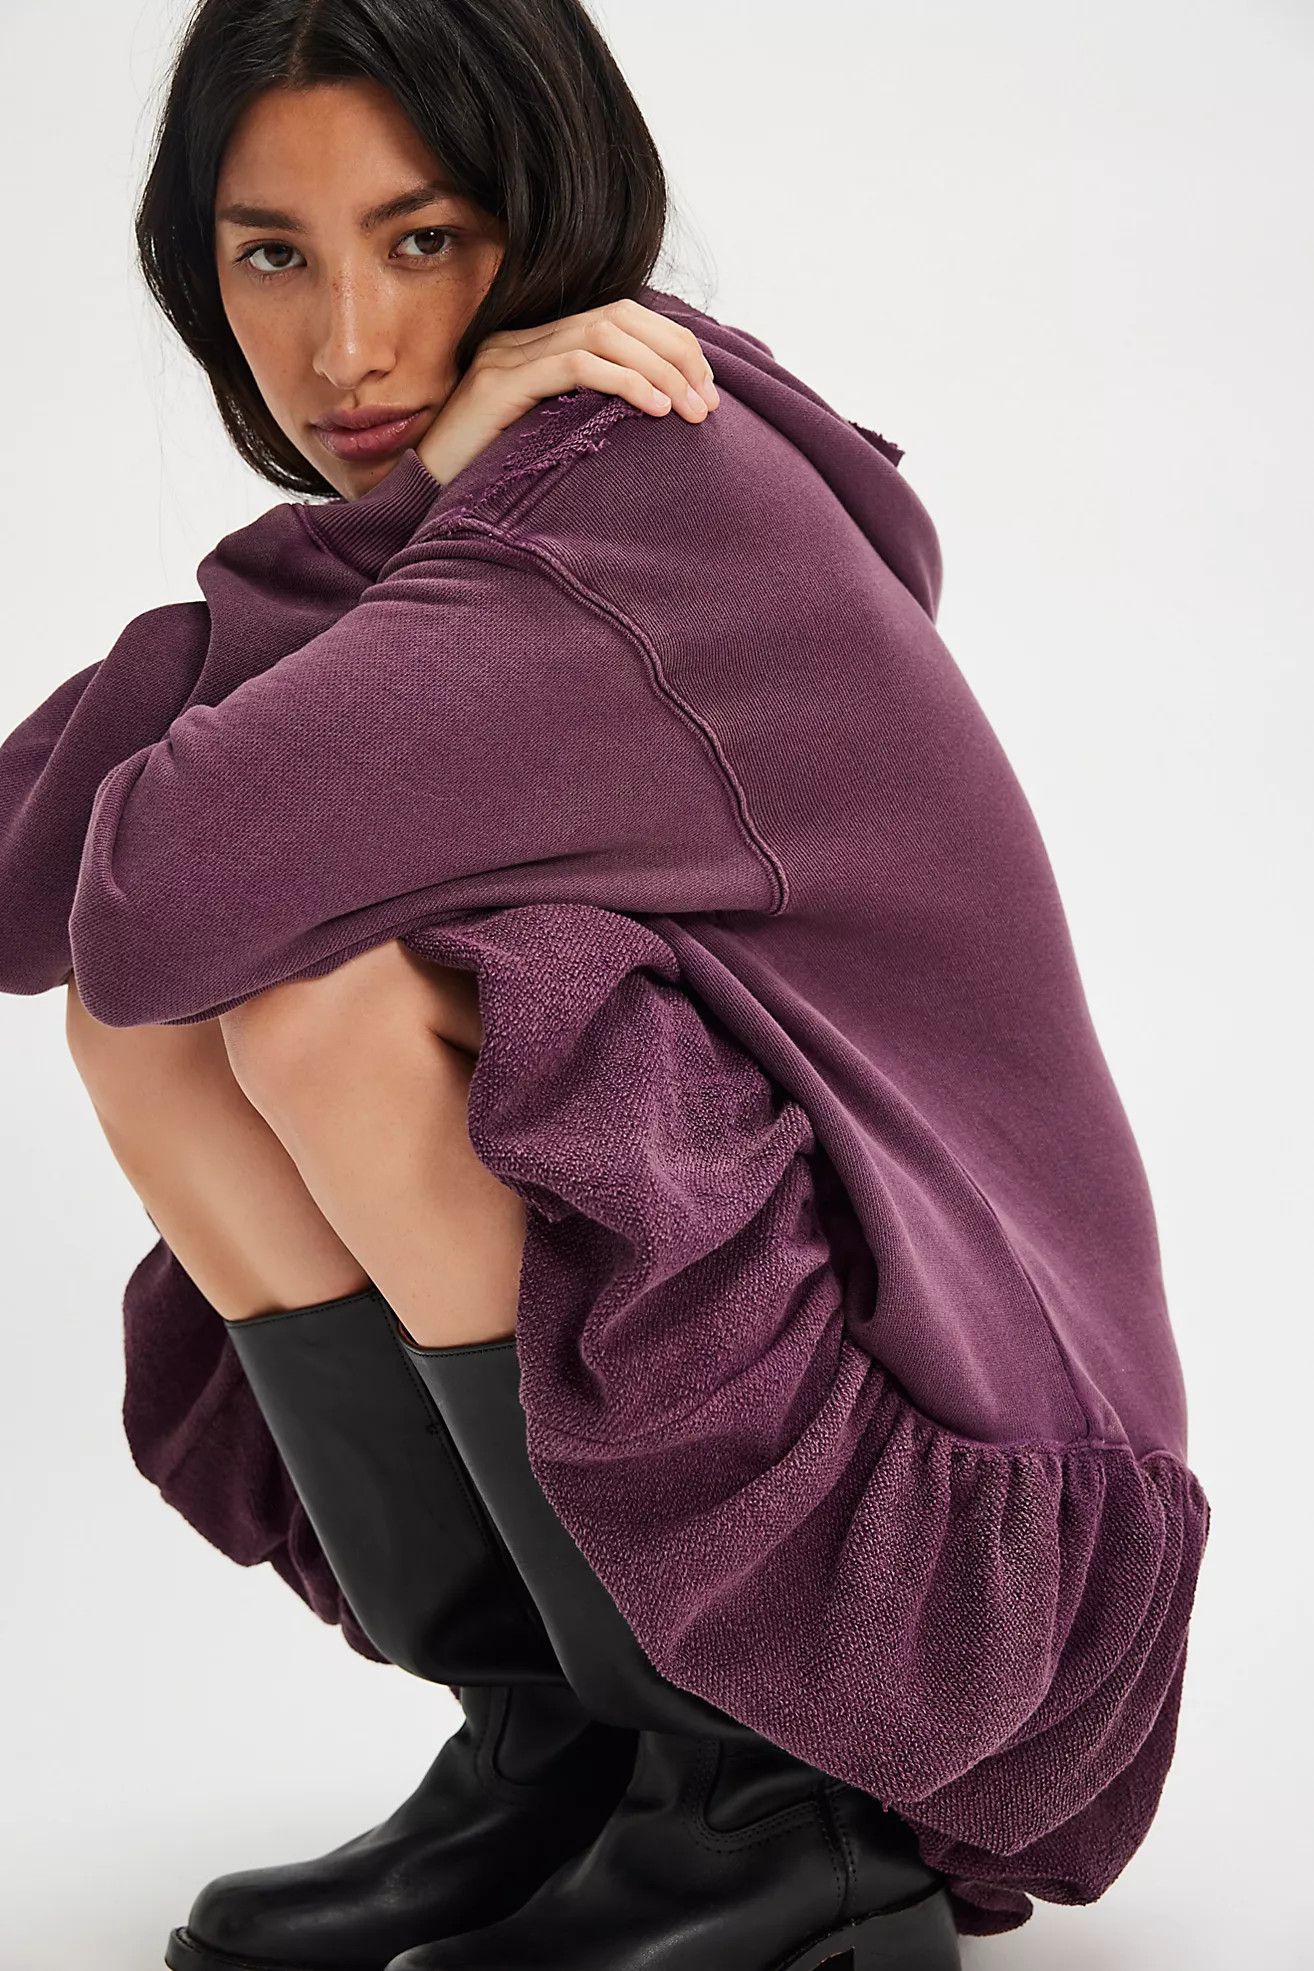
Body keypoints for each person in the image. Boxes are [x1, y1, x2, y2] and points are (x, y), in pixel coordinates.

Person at [0, 0, 1211, 1965]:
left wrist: (410, 520)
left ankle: (766, 1802)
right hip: (866, 1399)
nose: (346, 346)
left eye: (423, 239)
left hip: (968, 1534)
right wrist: (416, 510)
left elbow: (141, 886)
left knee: (314, 1002)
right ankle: (566, 1744)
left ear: (549, 211)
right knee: (165, 1032)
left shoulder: (634, 500)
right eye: (271, 255)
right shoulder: (504, 503)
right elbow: (33, 900)